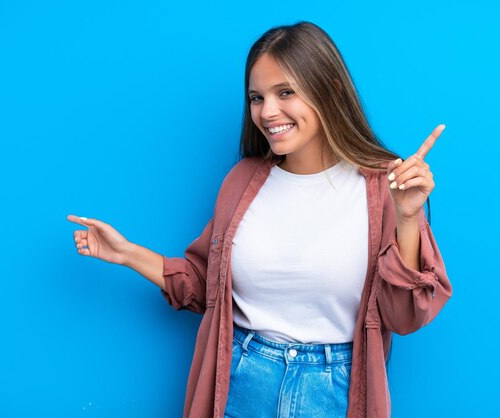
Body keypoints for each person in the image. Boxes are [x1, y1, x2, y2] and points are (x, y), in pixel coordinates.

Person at [68, 21, 452, 418]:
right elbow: (206, 286)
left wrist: (408, 216)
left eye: (285, 92)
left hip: (334, 392)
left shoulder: (383, 189)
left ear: (331, 89)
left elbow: (404, 316)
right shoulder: (242, 182)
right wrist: (127, 254)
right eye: (256, 97)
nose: (267, 112)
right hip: (239, 381)